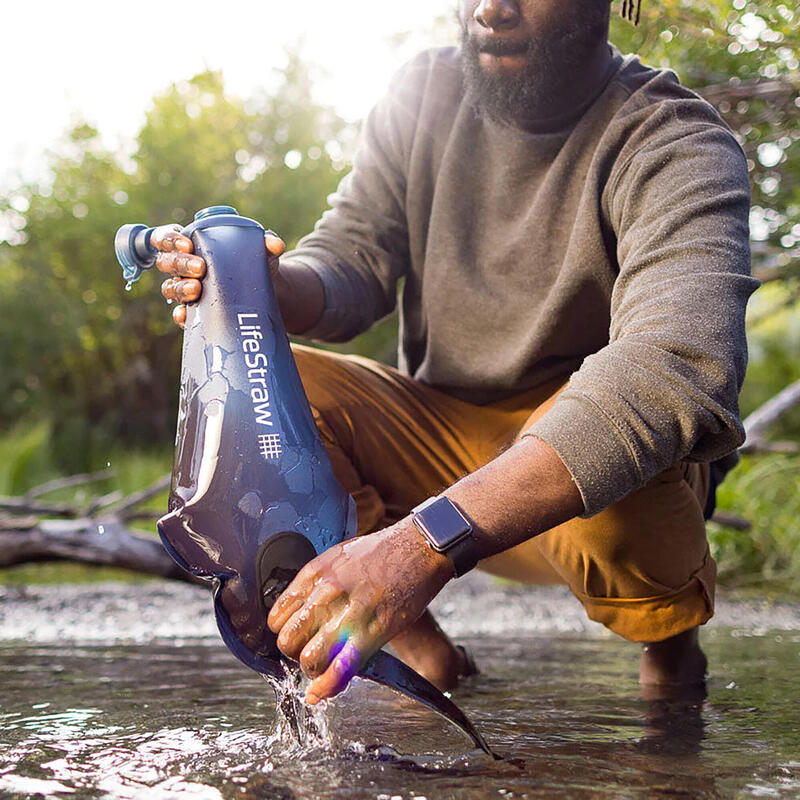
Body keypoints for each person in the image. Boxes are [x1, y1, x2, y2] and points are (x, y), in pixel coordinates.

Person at [155, 0, 758, 707]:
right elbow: (354, 255)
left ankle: (673, 659)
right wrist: (264, 286)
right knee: (276, 389)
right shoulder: (422, 92)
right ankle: (429, 663)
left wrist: (423, 544)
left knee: (624, 445)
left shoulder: (676, 140)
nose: (489, 9)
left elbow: (675, 370)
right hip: (439, 441)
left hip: (580, 479)